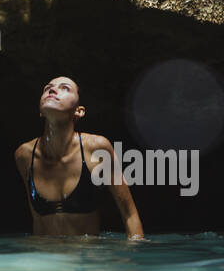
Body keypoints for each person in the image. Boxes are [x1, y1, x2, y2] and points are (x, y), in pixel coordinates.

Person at [14, 76, 144, 238]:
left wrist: (134, 257)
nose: (52, 90)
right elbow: (37, 219)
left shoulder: (97, 148)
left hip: (86, 258)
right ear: (40, 111)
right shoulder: (24, 155)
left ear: (79, 111)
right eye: (48, 88)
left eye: (64, 88)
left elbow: (129, 215)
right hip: (45, 257)